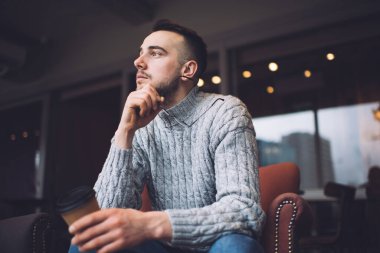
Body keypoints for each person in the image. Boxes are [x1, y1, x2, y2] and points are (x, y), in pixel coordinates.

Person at [68, 19, 265, 253]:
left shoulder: (226, 112)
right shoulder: (142, 127)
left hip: (217, 245)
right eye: (141, 54)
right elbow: (104, 217)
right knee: (90, 241)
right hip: (163, 249)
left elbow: (243, 212)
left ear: (188, 70)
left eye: (156, 54)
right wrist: (125, 132)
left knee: (234, 244)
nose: (138, 62)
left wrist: (151, 223)